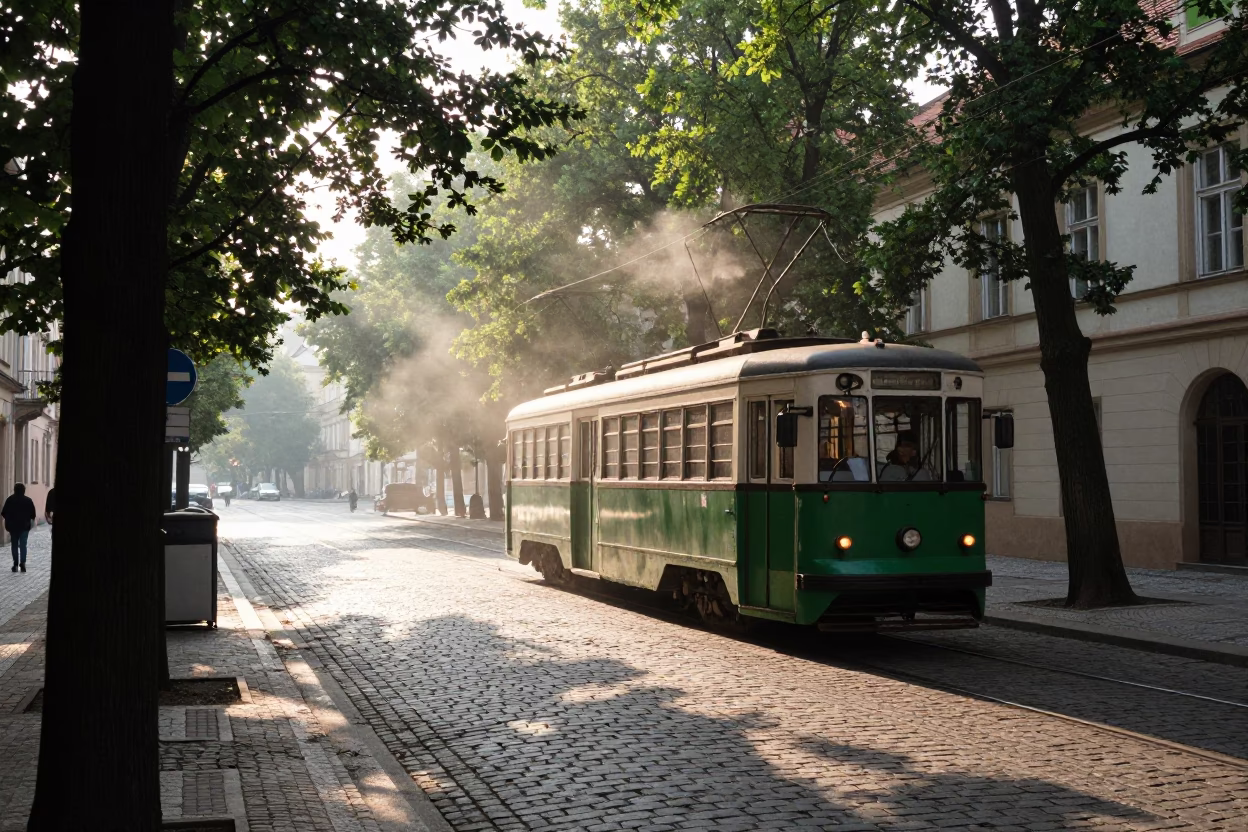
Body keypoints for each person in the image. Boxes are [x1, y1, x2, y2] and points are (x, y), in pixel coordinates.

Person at [2, 483, 37, 573]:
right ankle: (23, 563)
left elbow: (4, 513)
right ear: (24, 490)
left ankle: (15, 563)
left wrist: (9, 519)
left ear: (14, 490)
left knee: (14, 545)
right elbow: (33, 514)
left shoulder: (10, 500)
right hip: (24, 526)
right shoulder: (28, 500)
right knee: (23, 545)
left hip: (13, 527)